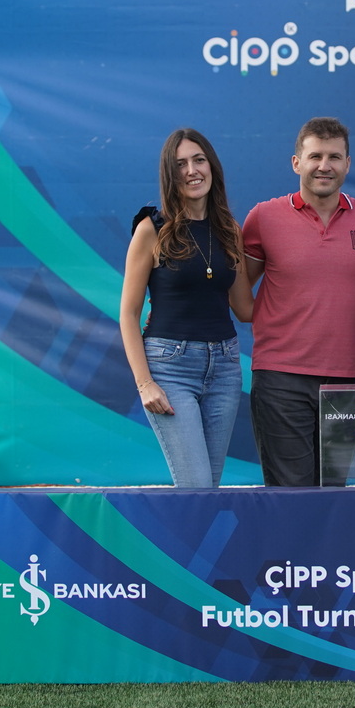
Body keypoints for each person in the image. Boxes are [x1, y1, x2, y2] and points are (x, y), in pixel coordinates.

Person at [242, 117, 355, 486]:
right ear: (297, 163)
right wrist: (263, 318)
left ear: (347, 164)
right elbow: (239, 286)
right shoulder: (264, 217)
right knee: (291, 494)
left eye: (334, 157)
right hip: (280, 379)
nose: (325, 166)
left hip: (346, 380)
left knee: (332, 493)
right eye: (315, 156)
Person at [120, 128, 254, 488]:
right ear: (170, 173)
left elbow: (245, 308)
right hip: (171, 368)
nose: (192, 171)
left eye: (199, 160)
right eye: (181, 164)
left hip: (225, 368)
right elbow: (129, 314)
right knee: (196, 487)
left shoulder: (229, 230)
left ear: (212, 166)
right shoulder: (152, 229)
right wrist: (145, 383)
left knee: (208, 490)